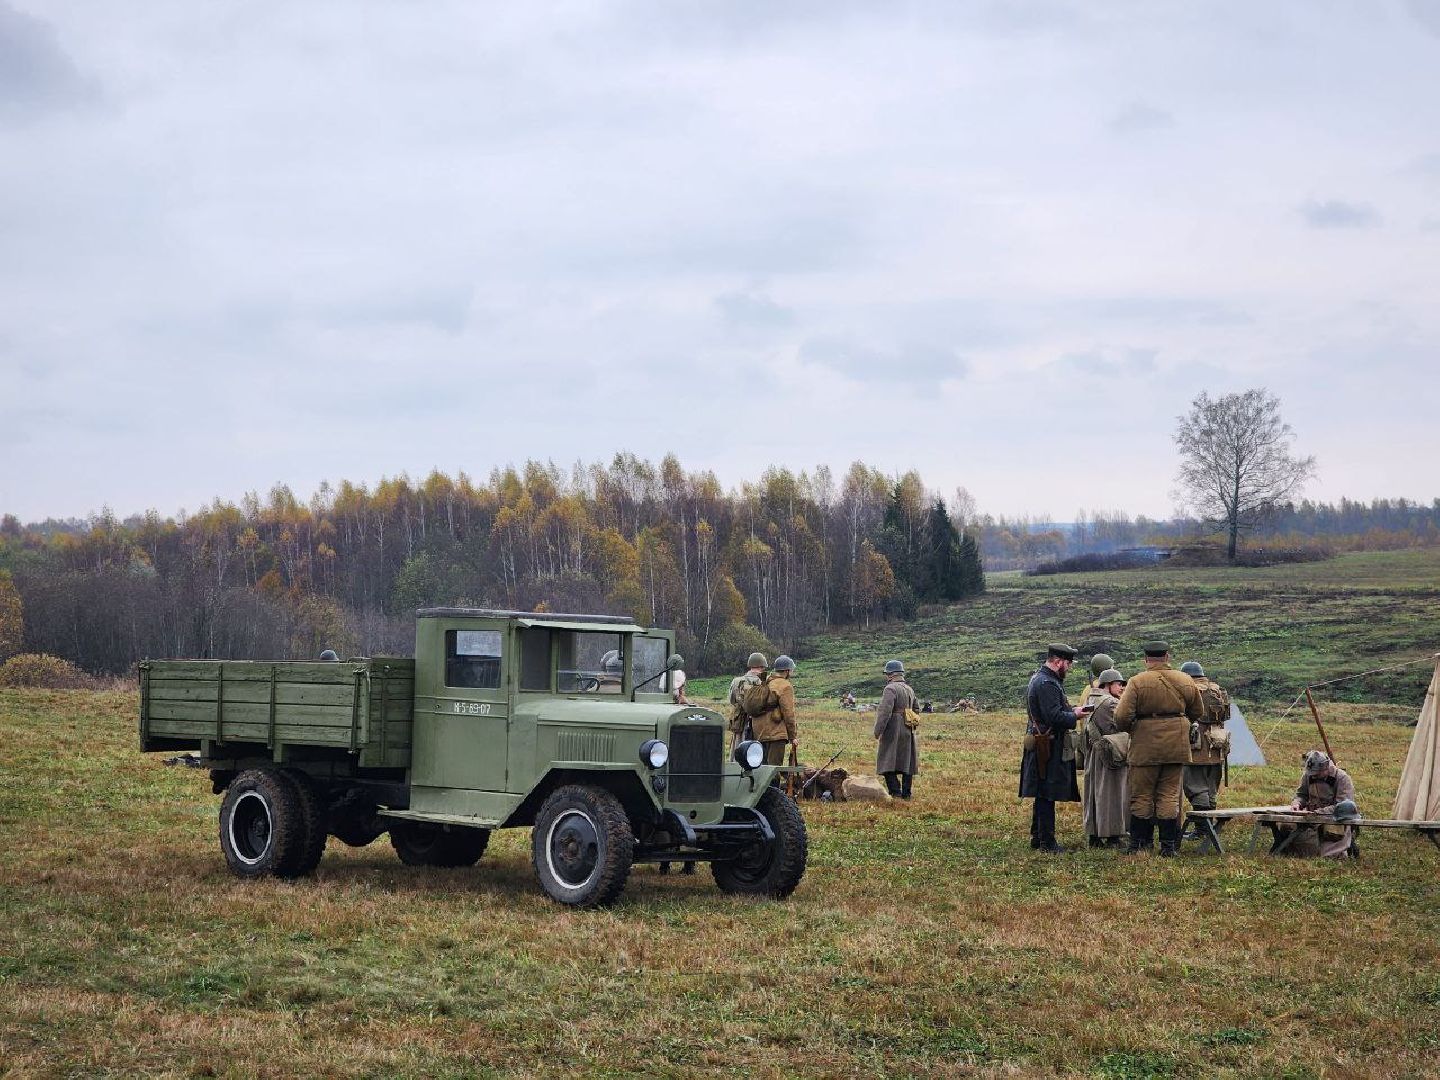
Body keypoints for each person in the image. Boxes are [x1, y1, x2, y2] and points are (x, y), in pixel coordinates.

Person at [1112, 641, 1204, 856]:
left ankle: (1139, 845)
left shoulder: (1137, 682)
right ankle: (1168, 846)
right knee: (1169, 795)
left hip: (1145, 745)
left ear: (1146, 659)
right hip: (1176, 746)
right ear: (1167, 656)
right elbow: (1197, 711)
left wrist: (1135, 728)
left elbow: (1122, 717)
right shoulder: (1185, 680)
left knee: (1142, 794)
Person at [1020, 643, 1086, 853]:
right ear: (1058, 662)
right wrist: (1074, 716)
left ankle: (1038, 837)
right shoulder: (1048, 683)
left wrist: (1072, 710)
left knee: (1042, 793)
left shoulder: (1042, 678)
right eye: (1068, 664)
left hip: (1043, 743)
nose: (1069, 668)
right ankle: (1047, 842)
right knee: (1047, 793)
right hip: (1047, 745)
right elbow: (1054, 717)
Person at [1278, 750, 1359, 858]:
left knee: (1326, 855)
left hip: (1333, 820)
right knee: (1286, 826)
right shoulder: (1309, 775)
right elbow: (1301, 794)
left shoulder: (1342, 778)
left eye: (1317, 774)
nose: (1313, 776)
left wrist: (1318, 813)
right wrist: (1297, 803)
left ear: (1325, 768)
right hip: (1311, 818)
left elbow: (1342, 807)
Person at [1082, 668, 1130, 848]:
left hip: (1094, 752)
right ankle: (1112, 836)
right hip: (1109, 753)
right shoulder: (1110, 703)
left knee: (1094, 793)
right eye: (1118, 684)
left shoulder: (1091, 698)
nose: (1122, 688)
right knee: (1112, 794)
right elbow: (1123, 724)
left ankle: (1094, 835)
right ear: (1108, 685)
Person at [1179, 660, 1229, 821]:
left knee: (1195, 787)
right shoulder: (1218, 689)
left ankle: (1202, 828)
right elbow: (1226, 716)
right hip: (1217, 744)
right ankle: (1210, 824)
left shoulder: (1187, 690)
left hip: (1195, 746)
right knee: (1211, 788)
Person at [874, 659, 919, 799]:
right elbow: (916, 709)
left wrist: (878, 731)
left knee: (886, 760)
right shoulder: (909, 689)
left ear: (891, 674)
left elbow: (884, 712)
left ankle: (895, 793)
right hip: (908, 728)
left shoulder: (890, 689)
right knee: (907, 761)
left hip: (893, 729)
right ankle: (906, 794)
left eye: (887, 674)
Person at [751, 654, 799, 767]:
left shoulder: (766, 682)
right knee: (774, 769)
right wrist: (793, 736)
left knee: (761, 768)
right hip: (776, 733)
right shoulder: (785, 686)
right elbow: (789, 714)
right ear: (787, 671)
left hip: (759, 732)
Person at [727, 653, 767, 751]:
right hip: (759, 722)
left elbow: (732, 700)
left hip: (740, 721)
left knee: (738, 749)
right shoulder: (763, 683)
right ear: (762, 666)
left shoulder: (737, 681)